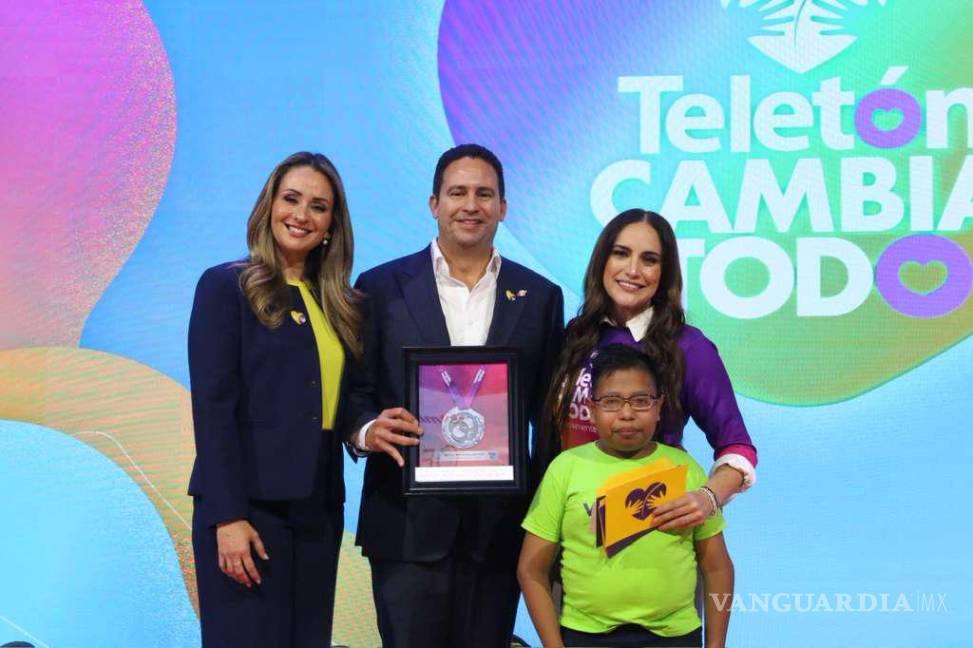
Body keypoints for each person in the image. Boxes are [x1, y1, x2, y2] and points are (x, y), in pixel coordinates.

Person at [347, 144, 565, 648]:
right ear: (434, 204)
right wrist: (367, 429)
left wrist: (549, 519)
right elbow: (354, 390)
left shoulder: (539, 297)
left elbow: (547, 418)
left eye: (484, 194)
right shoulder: (378, 288)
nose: (471, 205)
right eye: (457, 193)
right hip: (405, 524)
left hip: (500, 531)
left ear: (503, 208)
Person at [187, 151, 360, 647]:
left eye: (318, 206)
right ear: (269, 207)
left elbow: (340, 402)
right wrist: (228, 516)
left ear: (332, 225)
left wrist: (367, 428)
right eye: (291, 199)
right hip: (249, 509)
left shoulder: (339, 303)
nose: (301, 215)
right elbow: (213, 409)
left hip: (318, 512)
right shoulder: (227, 286)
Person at [540, 209, 757, 528]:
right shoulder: (576, 335)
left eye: (649, 260)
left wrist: (708, 497)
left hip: (648, 525)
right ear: (602, 261)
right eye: (620, 253)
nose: (632, 270)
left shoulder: (689, 347)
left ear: (664, 273)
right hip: (571, 522)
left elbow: (737, 447)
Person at [519, 344, 734, 647]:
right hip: (586, 636)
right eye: (611, 402)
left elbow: (717, 567)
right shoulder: (565, 468)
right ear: (591, 408)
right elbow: (531, 569)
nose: (627, 414)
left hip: (675, 636)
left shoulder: (686, 469)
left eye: (641, 401)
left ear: (659, 406)